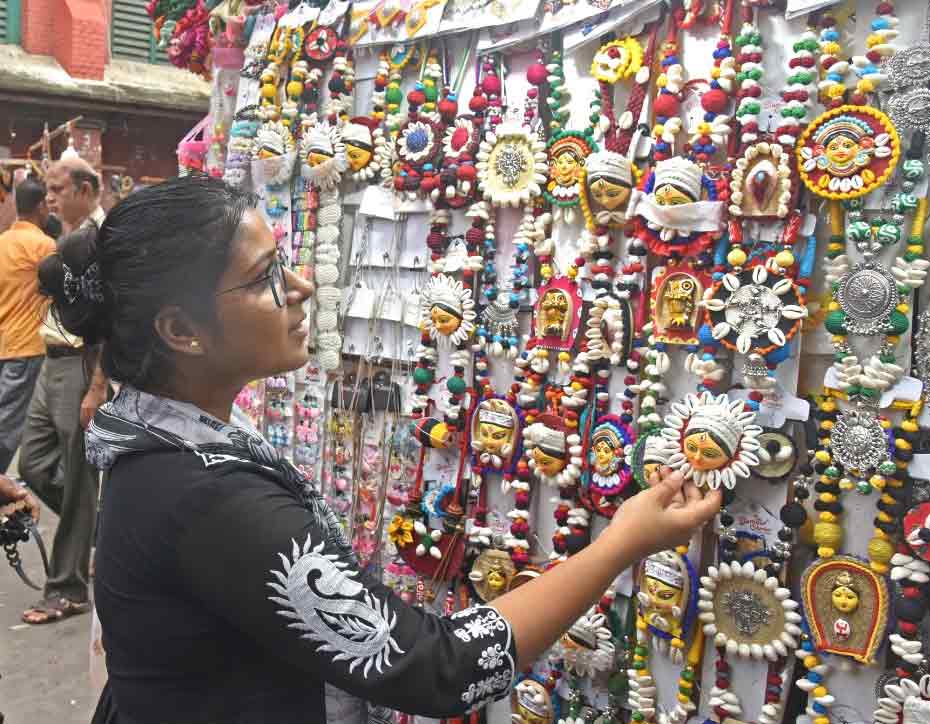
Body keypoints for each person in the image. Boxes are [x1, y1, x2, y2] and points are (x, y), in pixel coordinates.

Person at [39, 176, 720, 724]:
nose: (301, 289)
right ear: (182, 330)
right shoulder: (207, 496)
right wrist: (620, 544)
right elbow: (438, 668)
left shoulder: (166, 442)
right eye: (266, 277)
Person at [18, 157, 108, 625]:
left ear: (87, 188)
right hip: (49, 360)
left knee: (77, 481)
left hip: (81, 363)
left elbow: (113, 318)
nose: (50, 196)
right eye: (48, 188)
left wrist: (97, 386)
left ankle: (67, 587)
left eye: (59, 187)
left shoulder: (105, 238)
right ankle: (98, 533)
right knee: (32, 462)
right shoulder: (60, 233)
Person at [0, 178, 56, 474]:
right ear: (41, 206)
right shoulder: (44, 246)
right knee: (9, 427)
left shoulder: (2, 242)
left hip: (4, 343)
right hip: (26, 347)